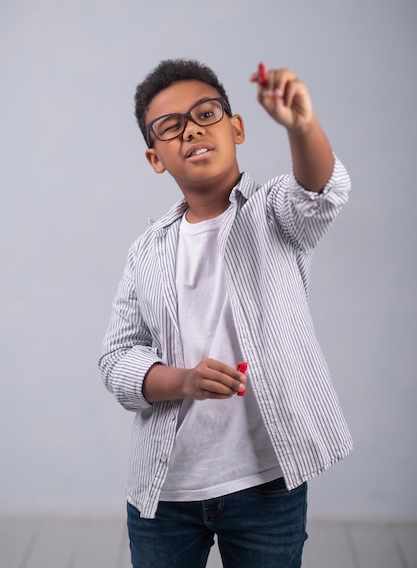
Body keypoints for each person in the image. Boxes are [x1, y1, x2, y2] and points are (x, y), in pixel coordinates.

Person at [99, 59, 352, 568]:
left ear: (235, 127)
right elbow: (117, 359)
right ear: (155, 157)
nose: (191, 127)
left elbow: (320, 194)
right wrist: (183, 381)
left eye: (206, 113)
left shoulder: (272, 212)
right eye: (170, 126)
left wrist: (301, 124)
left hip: (267, 485)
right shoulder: (145, 251)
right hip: (164, 491)